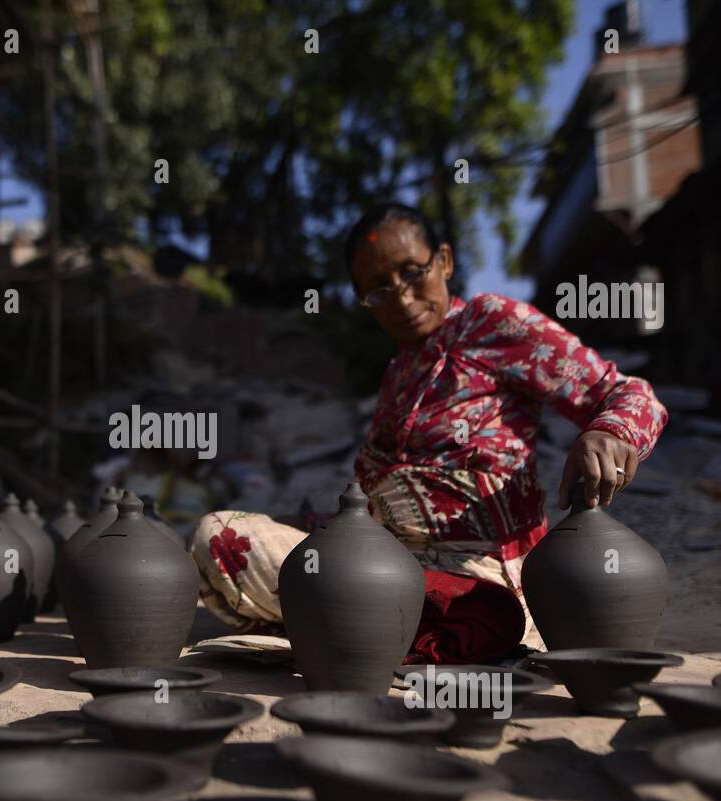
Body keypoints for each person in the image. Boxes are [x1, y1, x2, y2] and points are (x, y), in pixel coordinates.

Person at [191, 202, 667, 663]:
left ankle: (398, 625)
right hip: (384, 563)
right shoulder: (399, 372)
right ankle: (375, 626)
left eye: (413, 272)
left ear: (444, 261)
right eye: (378, 289)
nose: (400, 296)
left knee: (256, 550)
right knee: (223, 536)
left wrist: (610, 431)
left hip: (475, 578)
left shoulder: (492, 322)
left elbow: (628, 394)